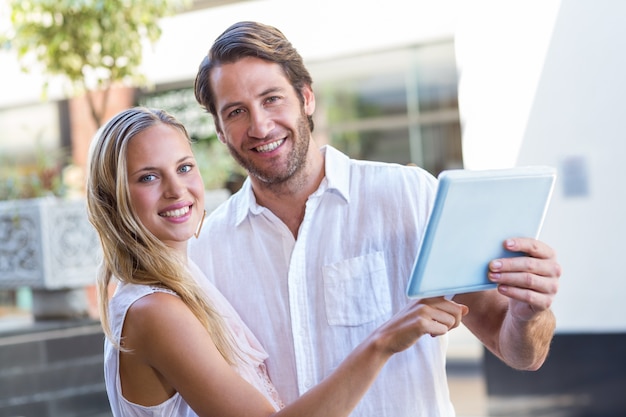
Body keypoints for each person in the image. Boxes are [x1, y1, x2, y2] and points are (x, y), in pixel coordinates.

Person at [190, 21, 562, 416]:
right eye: (236, 112)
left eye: (272, 99)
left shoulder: (410, 197)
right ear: (219, 129)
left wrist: (528, 313)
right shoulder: (206, 252)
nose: (260, 126)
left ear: (306, 97)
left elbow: (521, 353)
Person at [86, 106, 469, 417]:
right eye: (148, 177)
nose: (176, 190)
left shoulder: (187, 284)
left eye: (184, 168)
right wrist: (382, 343)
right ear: (112, 198)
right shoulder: (154, 310)